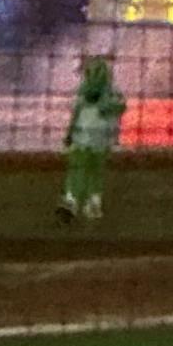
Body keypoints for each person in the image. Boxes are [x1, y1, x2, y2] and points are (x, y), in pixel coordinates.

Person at [60, 52, 125, 228]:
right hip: (102, 140)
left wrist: (69, 135)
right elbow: (118, 112)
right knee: (95, 172)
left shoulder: (82, 92)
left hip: (82, 137)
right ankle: (93, 204)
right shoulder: (115, 94)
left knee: (77, 170)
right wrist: (115, 136)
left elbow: (75, 115)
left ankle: (71, 201)